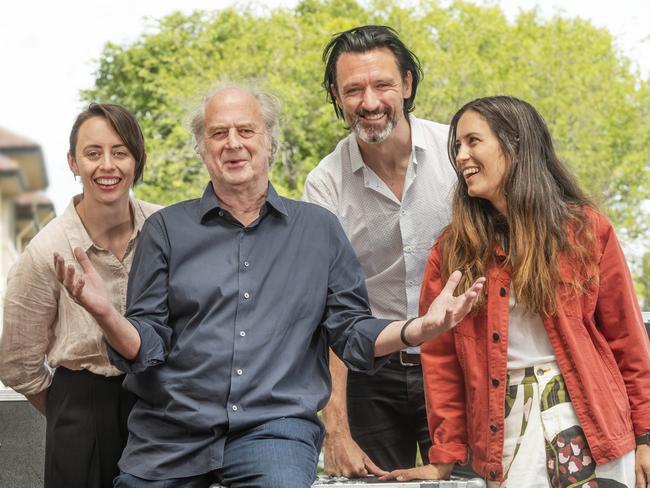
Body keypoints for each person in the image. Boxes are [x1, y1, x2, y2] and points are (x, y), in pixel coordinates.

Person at [53, 82, 485, 488]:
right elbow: (146, 346)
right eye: (218, 133)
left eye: (246, 130)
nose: (233, 142)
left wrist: (420, 328)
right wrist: (106, 314)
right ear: (202, 148)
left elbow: (351, 332)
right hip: (171, 434)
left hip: (273, 434)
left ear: (269, 142)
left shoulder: (319, 230)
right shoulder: (166, 229)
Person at [381, 96, 650, 487]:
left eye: (473, 141)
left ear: (516, 145)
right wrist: (444, 456)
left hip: (592, 418)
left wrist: (645, 436)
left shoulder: (586, 231)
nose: (461, 156)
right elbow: (440, 363)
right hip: (500, 426)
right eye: (457, 146)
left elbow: (627, 338)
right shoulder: (452, 250)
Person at [302, 24, 457, 477]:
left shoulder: (457, 155)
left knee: (469, 480)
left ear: (407, 84)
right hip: (369, 371)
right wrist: (336, 432)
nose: (369, 102)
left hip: (455, 361)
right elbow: (326, 313)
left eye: (383, 84)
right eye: (353, 89)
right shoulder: (325, 184)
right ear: (336, 94)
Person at [0, 103, 160, 488]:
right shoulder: (45, 252)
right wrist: (68, 413)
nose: (107, 165)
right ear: (73, 163)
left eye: (120, 152)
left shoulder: (166, 229)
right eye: (93, 153)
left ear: (137, 160)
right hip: (84, 411)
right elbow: (16, 362)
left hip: (159, 407)